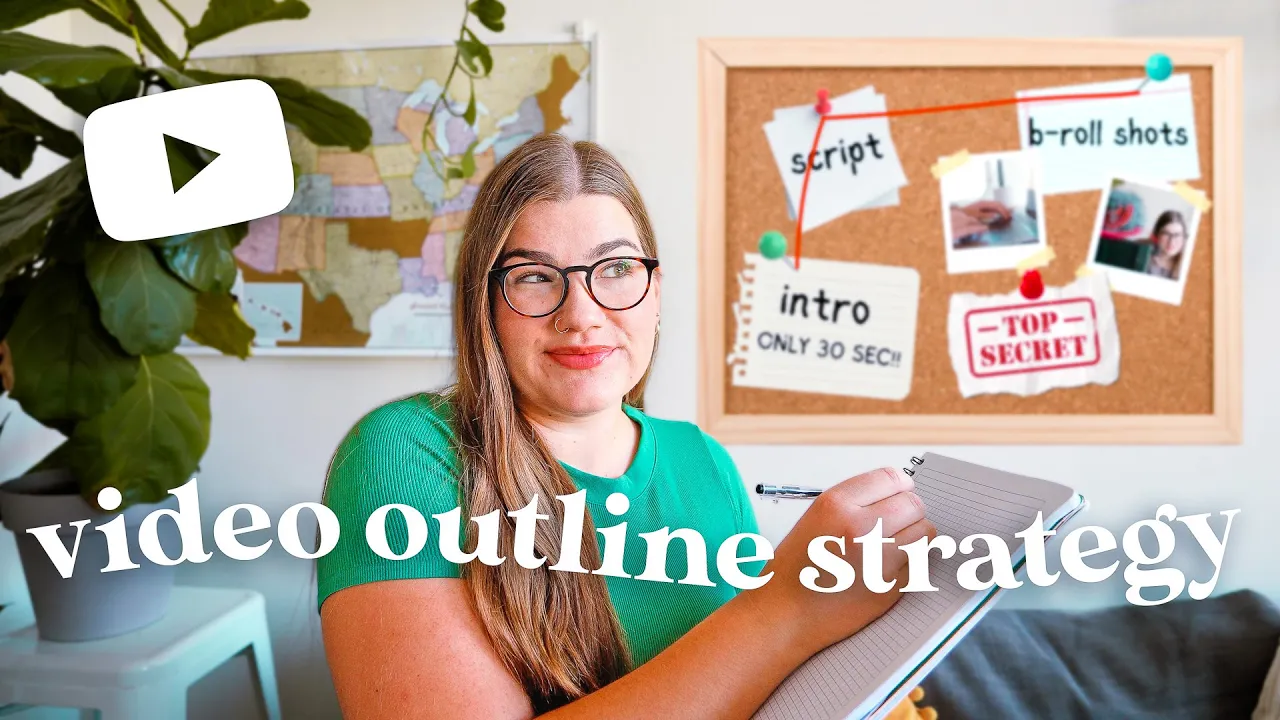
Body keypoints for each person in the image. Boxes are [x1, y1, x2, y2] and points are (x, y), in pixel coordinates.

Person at [317, 133, 934, 719]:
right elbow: (767, 633)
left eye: (615, 269)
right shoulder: (403, 453)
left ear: (654, 292)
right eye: (534, 277)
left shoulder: (704, 459)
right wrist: (788, 607)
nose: (581, 315)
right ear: (486, 305)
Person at [1143, 210, 1189, 280]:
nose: (1171, 241)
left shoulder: (1187, 265)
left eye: (1177, 235)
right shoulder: (1143, 256)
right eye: (1166, 234)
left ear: (1184, 238)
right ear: (1157, 234)